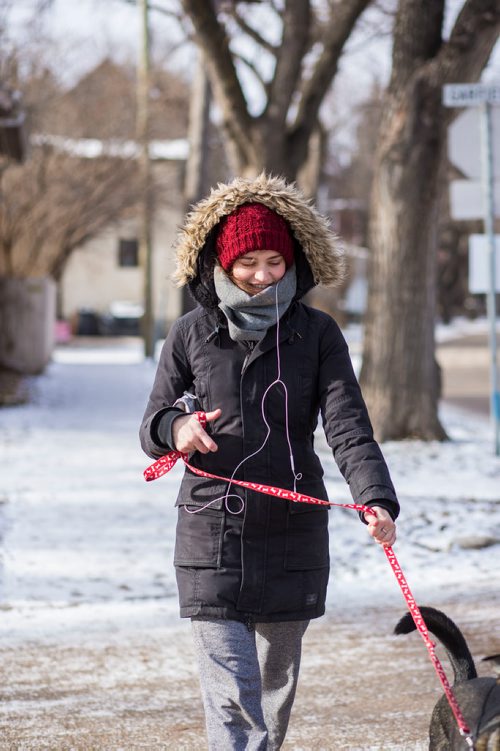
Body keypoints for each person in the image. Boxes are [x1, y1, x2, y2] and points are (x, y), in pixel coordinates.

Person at [140, 173, 399, 750]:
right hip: (213, 532)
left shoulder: (318, 334)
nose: (261, 276)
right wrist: (177, 428)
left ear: (294, 262)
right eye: (248, 262)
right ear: (222, 262)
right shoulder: (191, 333)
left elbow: (348, 427)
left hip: (292, 534)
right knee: (232, 694)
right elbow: (151, 425)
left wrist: (374, 498)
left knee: (275, 688)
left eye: (274, 263)